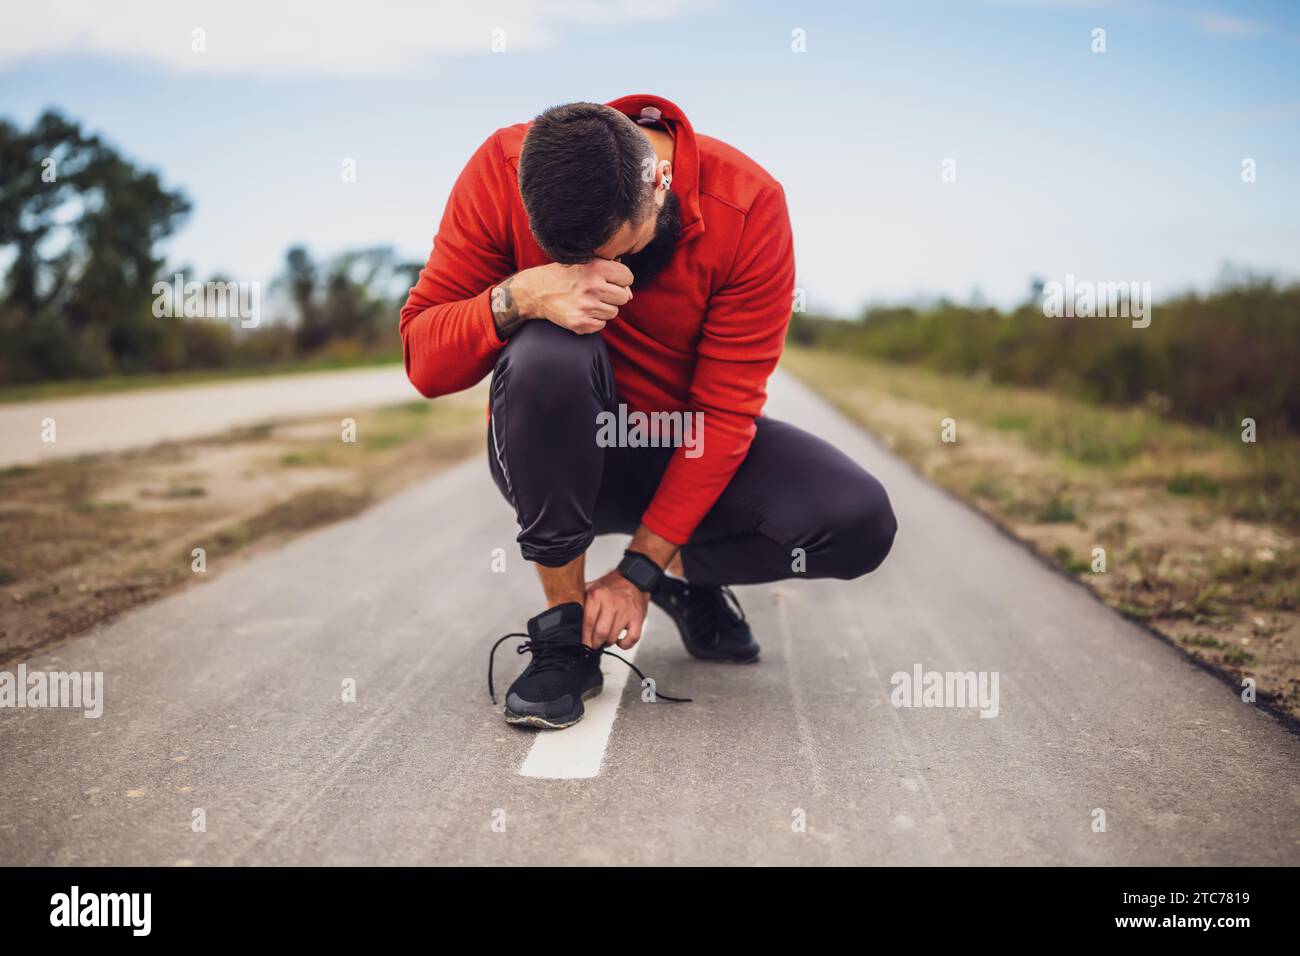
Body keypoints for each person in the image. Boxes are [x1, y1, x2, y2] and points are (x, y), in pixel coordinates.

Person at [401, 95, 897, 729]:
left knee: (858, 520)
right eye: (576, 263)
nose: (601, 273)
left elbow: (724, 412)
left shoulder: (748, 203)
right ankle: (564, 635)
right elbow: (424, 362)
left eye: (617, 251)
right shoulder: (501, 167)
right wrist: (521, 294)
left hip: (684, 443)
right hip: (563, 448)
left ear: (659, 182)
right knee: (549, 351)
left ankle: (672, 576)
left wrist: (638, 572)